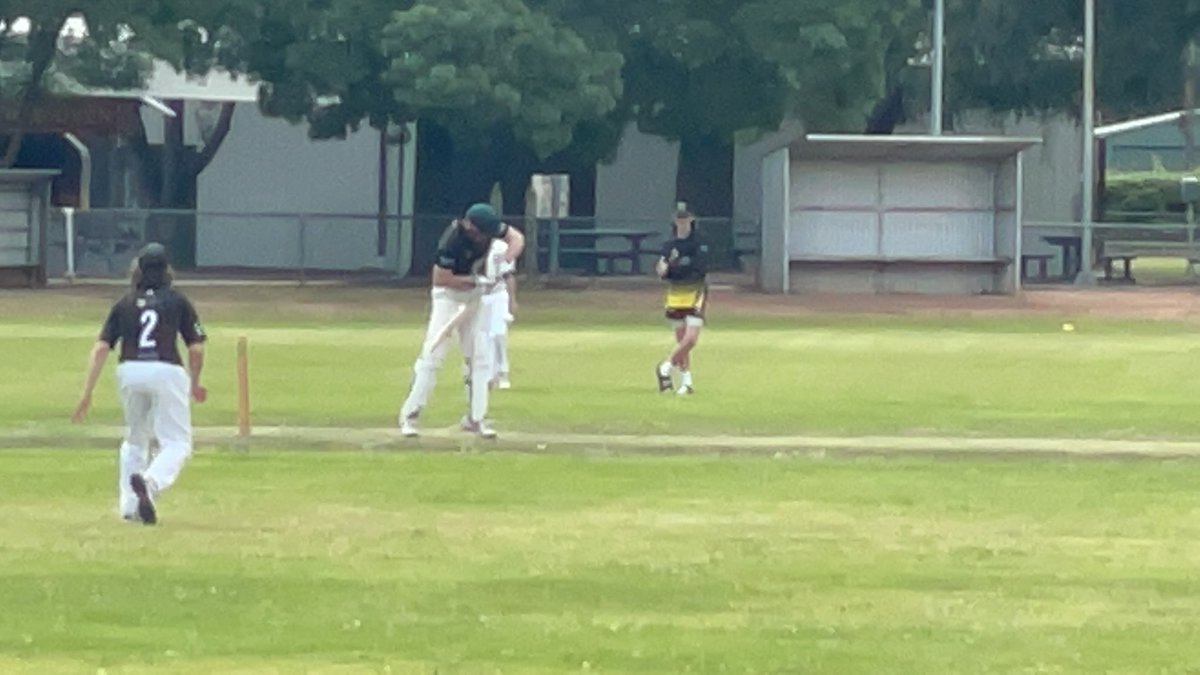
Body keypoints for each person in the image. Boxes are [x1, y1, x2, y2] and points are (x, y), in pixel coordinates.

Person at [71, 243, 208, 525]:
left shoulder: (125, 302)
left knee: (135, 439)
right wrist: (195, 383)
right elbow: (196, 348)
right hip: (166, 369)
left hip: (129, 370)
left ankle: (130, 507)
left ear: (139, 270)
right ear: (167, 270)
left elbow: (101, 348)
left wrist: (87, 393)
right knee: (177, 442)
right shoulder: (177, 300)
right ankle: (150, 482)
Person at [399, 203, 525, 438]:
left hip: (476, 296)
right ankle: (410, 415)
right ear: (469, 226)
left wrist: (504, 261)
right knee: (433, 353)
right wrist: (477, 281)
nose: (486, 238)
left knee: (479, 356)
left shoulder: (489, 229)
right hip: (448, 296)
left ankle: (476, 418)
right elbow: (441, 278)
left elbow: (516, 238)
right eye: (482, 232)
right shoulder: (453, 240)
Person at [655, 209, 708, 395]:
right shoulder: (669, 245)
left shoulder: (698, 242)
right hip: (675, 292)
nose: (683, 223)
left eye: (686, 219)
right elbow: (662, 269)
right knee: (680, 339)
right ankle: (687, 382)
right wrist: (667, 266)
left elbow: (700, 266)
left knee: (691, 338)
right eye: (679, 219)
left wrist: (677, 265)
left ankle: (666, 366)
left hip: (694, 291)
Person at [482, 238, 518, 390]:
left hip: (498, 294)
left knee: (498, 335)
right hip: (479, 295)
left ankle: (503, 373)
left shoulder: (501, 247)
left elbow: (508, 275)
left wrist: (512, 300)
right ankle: (488, 374)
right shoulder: (469, 245)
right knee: (483, 336)